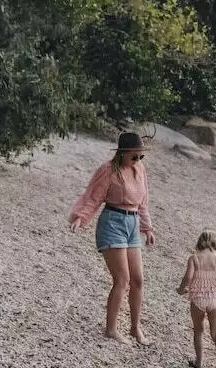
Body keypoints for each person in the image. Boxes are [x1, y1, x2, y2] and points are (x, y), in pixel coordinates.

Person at [69, 132, 155, 345]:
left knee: (138, 279)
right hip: (112, 222)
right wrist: (81, 217)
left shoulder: (139, 170)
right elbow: (93, 196)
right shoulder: (109, 170)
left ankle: (135, 328)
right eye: (134, 156)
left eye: (140, 157)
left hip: (133, 223)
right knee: (122, 279)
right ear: (123, 153)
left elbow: (143, 202)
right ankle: (111, 329)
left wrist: (148, 228)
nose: (138, 161)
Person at [177, 230, 216, 368]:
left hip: (197, 299)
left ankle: (199, 362)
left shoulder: (194, 258)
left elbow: (188, 277)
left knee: (198, 331)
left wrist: (181, 289)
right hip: (214, 299)